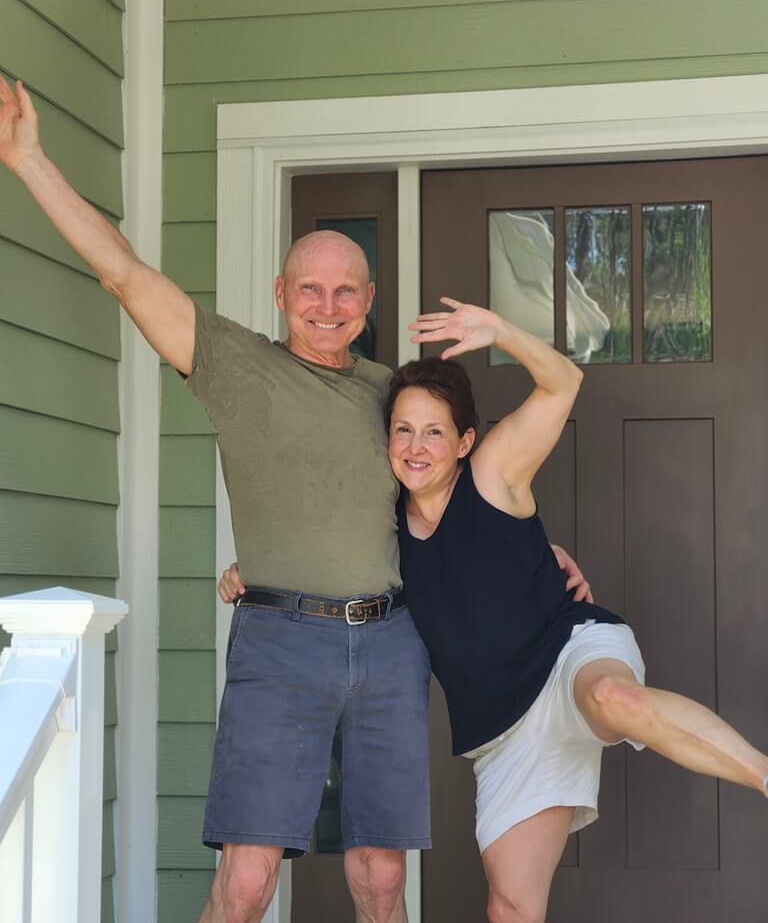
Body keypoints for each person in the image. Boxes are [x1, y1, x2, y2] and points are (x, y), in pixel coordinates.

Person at [0, 74, 592, 923]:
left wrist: (543, 559)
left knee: (380, 879)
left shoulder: (396, 398)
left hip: (390, 643)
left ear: (369, 302)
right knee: (247, 883)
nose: (327, 306)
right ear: (281, 295)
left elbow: (468, 503)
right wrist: (29, 159)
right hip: (280, 642)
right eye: (309, 289)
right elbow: (125, 275)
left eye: (346, 291)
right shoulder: (234, 365)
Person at [382, 297, 768, 923]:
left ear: (464, 441)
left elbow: (563, 382)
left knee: (615, 699)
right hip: (504, 731)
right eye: (404, 429)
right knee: (510, 907)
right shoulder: (383, 521)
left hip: (568, 655)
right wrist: (247, 572)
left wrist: (499, 329)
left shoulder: (492, 473)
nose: (416, 446)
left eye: (434, 431)